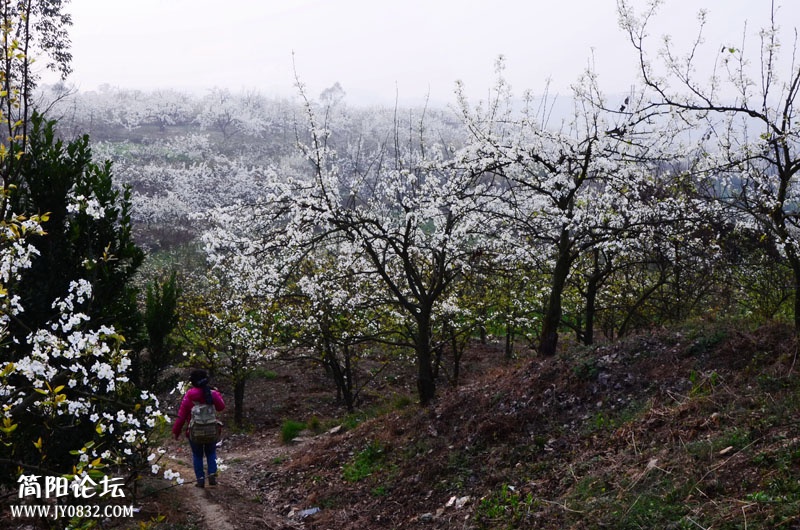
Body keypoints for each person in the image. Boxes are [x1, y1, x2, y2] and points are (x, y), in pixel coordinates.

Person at [172, 369, 225, 487]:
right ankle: (212, 477)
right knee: (211, 453)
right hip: (211, 431)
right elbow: (221, 407)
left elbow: (181, 416)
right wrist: (217, 394)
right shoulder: (212, 394)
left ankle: (200, 480)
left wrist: (176, 431)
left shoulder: (189, 395)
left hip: (194, 432)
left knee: (197, 455)